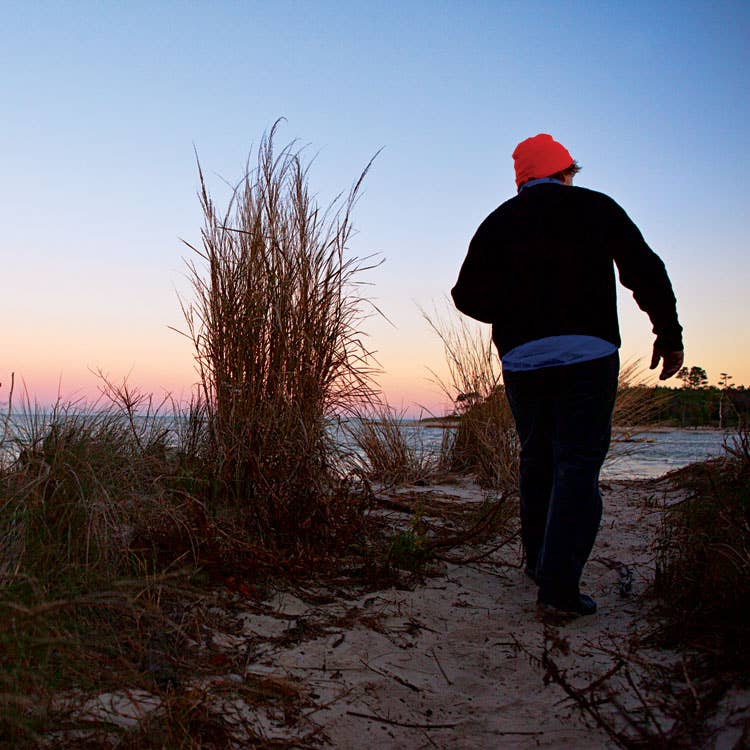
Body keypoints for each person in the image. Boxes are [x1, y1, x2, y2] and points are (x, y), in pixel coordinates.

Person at [451, 133, 684, 616]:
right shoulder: (596, 208)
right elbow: (645, 269)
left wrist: (515, 310)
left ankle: (538, 562)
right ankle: (557, 588)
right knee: (577, 462)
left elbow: (465, 295)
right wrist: (668, 333)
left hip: (524, 361)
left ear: (522, 181)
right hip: (588, 354)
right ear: (565, 172)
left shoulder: (499, 221)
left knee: (537, 457)